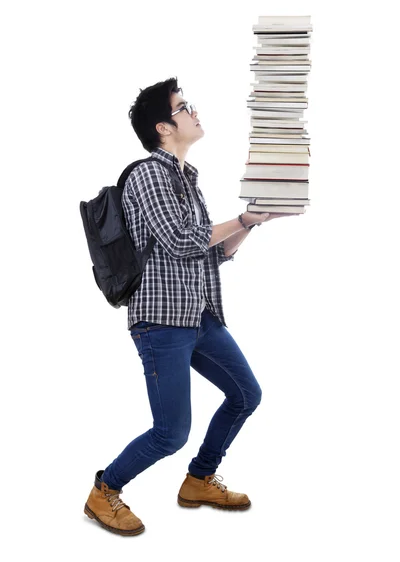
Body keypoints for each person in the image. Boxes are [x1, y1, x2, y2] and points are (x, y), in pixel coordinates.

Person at [84, 77, 297, 536]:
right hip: (160, 322)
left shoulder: (187, 178)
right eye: (184, 107)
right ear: (164, 127)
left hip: (198, 315)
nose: (193, 112)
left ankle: (199, 480)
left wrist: (252, 222)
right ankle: (104, 491)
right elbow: (183, 242)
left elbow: (210, 253)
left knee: (245, 395)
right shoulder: (147, 175)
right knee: (170, 433)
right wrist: (239, 218)